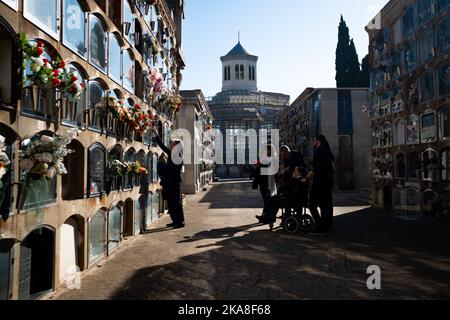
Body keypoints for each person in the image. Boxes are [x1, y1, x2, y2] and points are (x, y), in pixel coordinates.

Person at [153, 127, 185, 229]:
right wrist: (156, 135)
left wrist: (162, 166)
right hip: (169, 182)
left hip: (175, 183)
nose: (170, 145)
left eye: (172, 144)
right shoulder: (172, 154)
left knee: (176, 203)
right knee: (171, 203)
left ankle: (180, 222)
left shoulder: (178, 157)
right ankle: (174, 220)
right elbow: (162, 146)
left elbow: (172, 169)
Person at [308, 135, 335, 234]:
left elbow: (316, 170)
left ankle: (320, 226)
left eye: (314, 140)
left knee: (311, 204)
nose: (313, 142)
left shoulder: (318, 152)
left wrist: (306, 178)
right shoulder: (327, 151)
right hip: (328, 181)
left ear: (318, 141)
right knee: (326, 204)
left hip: (320, 182)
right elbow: (332, 167)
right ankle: (327, 225)